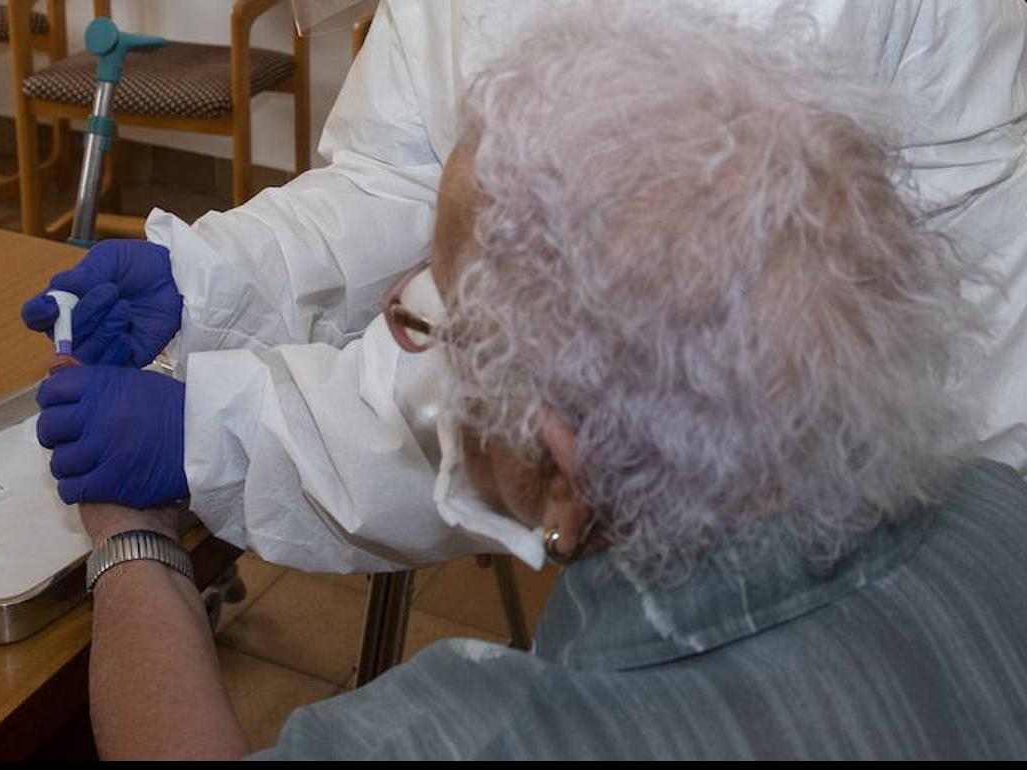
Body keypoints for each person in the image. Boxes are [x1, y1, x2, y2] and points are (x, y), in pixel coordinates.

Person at [71, 5, 1027, 758]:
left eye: (432, 324)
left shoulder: (491, 732)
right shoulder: (1001, 533)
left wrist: (199, 465)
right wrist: (218, 275)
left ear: (561, 466)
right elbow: (419, 174)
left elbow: (573, 353)